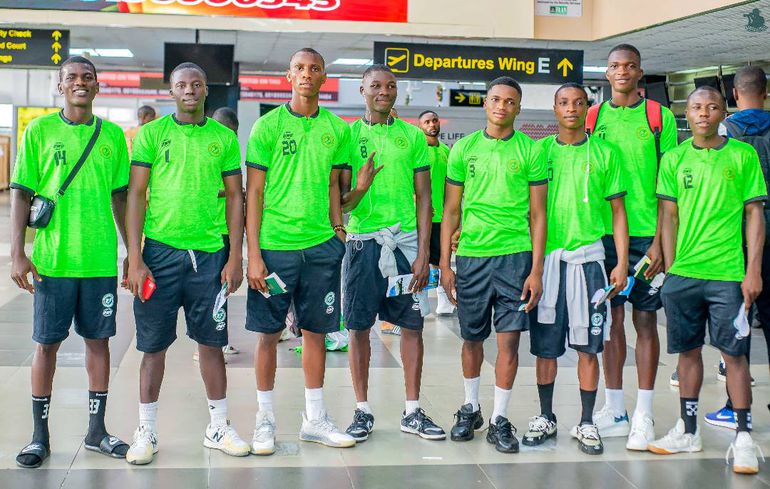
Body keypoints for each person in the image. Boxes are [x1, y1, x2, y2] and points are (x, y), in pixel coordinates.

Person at [124, 62, 249, 465]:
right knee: (153, 347)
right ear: (172, 91)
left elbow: (236, 197)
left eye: (197, 84)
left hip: (209, 256)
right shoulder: (151, 134)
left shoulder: (223, 138)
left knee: (212, 344)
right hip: (159, 254)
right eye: (182, 85)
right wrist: (136, 257)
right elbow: (136, 195)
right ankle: (146, 430)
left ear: (206, 90)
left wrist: (235, 255)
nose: (190, 90)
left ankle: (218, 426)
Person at [9, 56, 131, 468]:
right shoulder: (39, 130)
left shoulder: (112, 135)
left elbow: (120, 198)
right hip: (52, 262)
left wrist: (132, 252)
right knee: (47, 345)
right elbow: (21, 193)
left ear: (97, 86)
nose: (80, 83)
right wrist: (18, 253)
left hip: (99, 262)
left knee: (99, 342)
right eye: (72, 78)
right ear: (60, 86)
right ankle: (39, 436)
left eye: (88, 77)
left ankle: (96, 432)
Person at [649, 86, 766, 475]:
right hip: (684, 275)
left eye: (712, 107)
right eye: (696, 107)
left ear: (723, 112)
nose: (703, 113)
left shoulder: (743, 155)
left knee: (734, 356)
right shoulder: (674, 158)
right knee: (687, 353)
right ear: (687, 113)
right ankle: (688, 430)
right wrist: (670, 270)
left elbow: (754, 215)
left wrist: (752, 270)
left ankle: (744, 438)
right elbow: (668, 216)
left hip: (728, 275)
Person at [244, 48, 355, 454]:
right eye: (300, 69)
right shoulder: (267, 127)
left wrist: (337, 231)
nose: (307, 74)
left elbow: (334, 186)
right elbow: (254, 193)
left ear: (324, 77)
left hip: (321, 248)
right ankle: (265, 419)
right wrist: (253, 254)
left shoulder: (337, 130)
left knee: (317, 334)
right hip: (275, 248)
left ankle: (315, 419)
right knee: (268, 335)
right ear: (288, 76)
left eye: (315, 69)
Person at [441, 76, 546, 453]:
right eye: (496, 99)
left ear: (518, 108)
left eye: (510, 101)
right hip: (472, 256)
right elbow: (451, 210)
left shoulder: (531, 151)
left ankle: (500, 419)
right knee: (471, 338)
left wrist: (536, 269)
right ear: (485, 104)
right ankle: (470, 408)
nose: (502, 106)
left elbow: (539, 215)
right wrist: (446, 264)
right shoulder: (464, 148)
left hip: (515, 258)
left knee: (509, 341)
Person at [523, 83, 628, 455]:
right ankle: (546, 416)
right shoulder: (539, 152)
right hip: (548, 263)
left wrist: (621, 263)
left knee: (588, 347)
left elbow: (618, 213)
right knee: (546, 349)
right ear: (554, 109)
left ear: (587, 108)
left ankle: (586, 422)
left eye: (578, 103)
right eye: (564, 103)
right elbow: (526, 209)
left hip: (589, 263)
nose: (571, 108)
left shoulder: (606, 153)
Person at [341, 64, 445, 442]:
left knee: (412, 327)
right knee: (358, 328)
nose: (384, 91)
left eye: (390, 86)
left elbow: (425, 197)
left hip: (405, 246)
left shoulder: (412, 136)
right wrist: (360, 189)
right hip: (362, 244)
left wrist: (423, 253)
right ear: (362, 90)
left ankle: (412, 411)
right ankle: (362, 410)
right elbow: (340, 200)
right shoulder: (347, 136)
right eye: (376, 86)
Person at [587, 44, 677, 450]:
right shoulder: (593, 118)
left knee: (645, 321)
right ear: (606, 73)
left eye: (629, 66)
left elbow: (669, 187)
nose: (622, 71)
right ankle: (615, 409)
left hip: (645, 237)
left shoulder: (659, 117)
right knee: (609, 321)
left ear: (640, 72)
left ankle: (644, 414)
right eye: (614, 66)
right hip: (602, 236)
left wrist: (660, 242)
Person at [705, 65, 770, 428]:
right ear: (766, 93)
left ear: (733, 94)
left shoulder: (723, 132)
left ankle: (735, 406)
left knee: (738, 318)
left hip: (737, 234)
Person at [212, 107, 243, 357]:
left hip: (227, 231)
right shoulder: (207, 148)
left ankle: (219, 339)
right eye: (226, 131)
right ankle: (212, 343)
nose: (229, 136)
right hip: (211, 232)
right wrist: (233, 191)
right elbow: (205, 189)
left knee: (223, 288)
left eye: (234, 133)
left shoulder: (231, 150)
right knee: (213, 290)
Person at [417, 110, 454, 315]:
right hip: (422, 217)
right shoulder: (418, 150)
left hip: (443, 217)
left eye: (434, 120)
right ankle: (420, 303)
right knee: (421, 260)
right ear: (420, 126)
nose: (432, 124)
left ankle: (445, 302)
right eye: (427, 122)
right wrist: (418, 205)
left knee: (441, 261)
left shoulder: (446, 151)